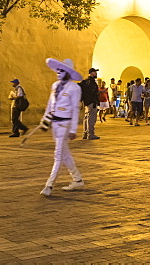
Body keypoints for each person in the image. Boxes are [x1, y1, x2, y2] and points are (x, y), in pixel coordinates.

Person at [39, 58, 84, 197]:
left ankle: (49, 185)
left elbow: (76, 109)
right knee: (64, 154)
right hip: (55, 124)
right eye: (57, 69)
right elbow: (50, 105)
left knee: (58, 155)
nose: (58, 72)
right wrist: (44, 120)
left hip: (65, 125)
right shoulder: (54, 86)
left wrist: (73, 130)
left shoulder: (74, 88)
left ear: (68, 72)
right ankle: (77, 179)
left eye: (62, 70)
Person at [79, 68, 100, 139]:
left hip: (86, 102)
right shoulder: (91, 82)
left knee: (86, 118)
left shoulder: (85, 81)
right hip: (92, 102)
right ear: (91, 73)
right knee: (91, 119)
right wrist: (100, 92)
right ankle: (90, 134)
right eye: (95, 72)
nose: (96, 73)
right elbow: (93, 93)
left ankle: (85, 133)